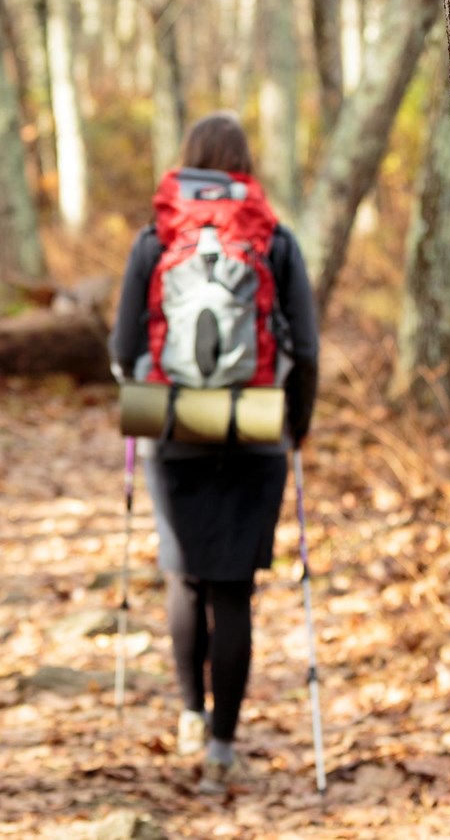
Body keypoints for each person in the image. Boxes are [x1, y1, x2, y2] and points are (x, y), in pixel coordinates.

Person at [109, 112, 319, 794]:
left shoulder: (155, 239)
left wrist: (146, 392)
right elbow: (307, 351)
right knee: (234, 590)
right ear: (246, 166)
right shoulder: (274, 242)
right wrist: (298, 425)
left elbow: (121, 349)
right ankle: (224, 745)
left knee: (184, 578)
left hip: (173, 429)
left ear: (188, 162)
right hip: (256, 428)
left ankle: (189, 716)